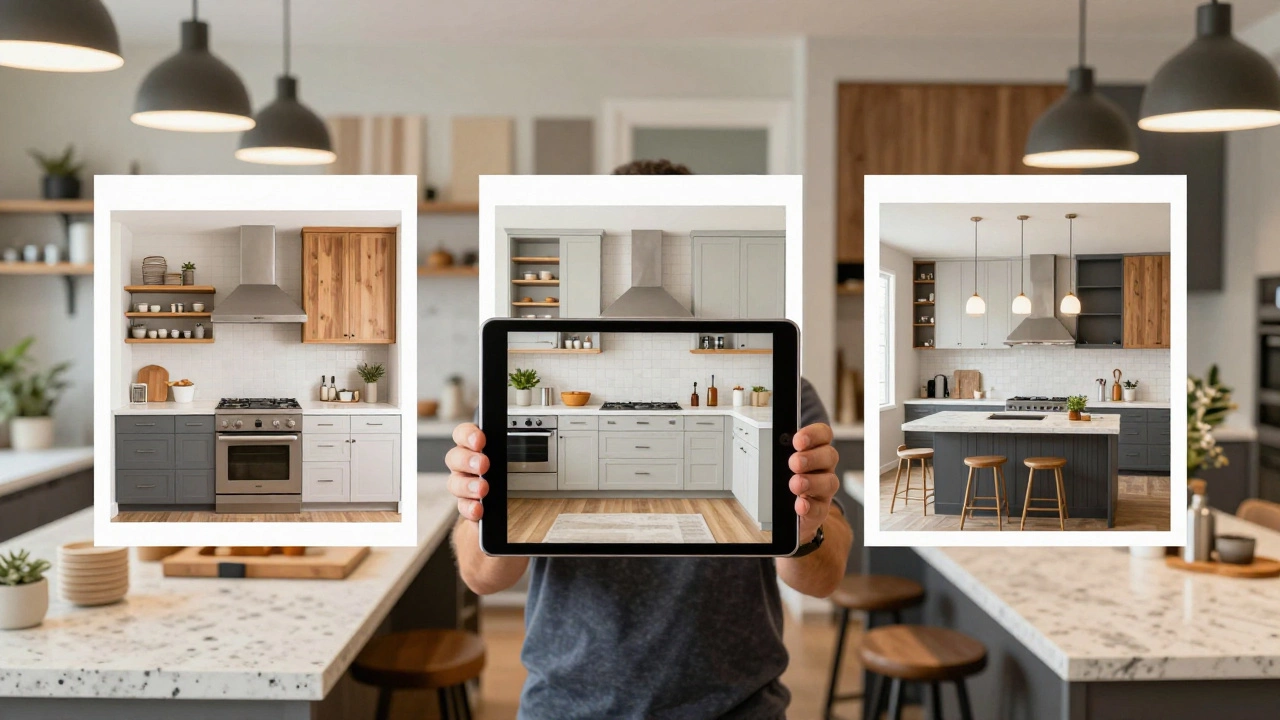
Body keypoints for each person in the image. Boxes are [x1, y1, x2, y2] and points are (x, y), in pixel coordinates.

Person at [445, 160, 850, 719]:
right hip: (567, 705)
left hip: (737, 706)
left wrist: (804, 530)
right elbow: (481, 577)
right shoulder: (504, 395)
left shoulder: (788, 393)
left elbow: (825, 579)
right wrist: (480, 513)